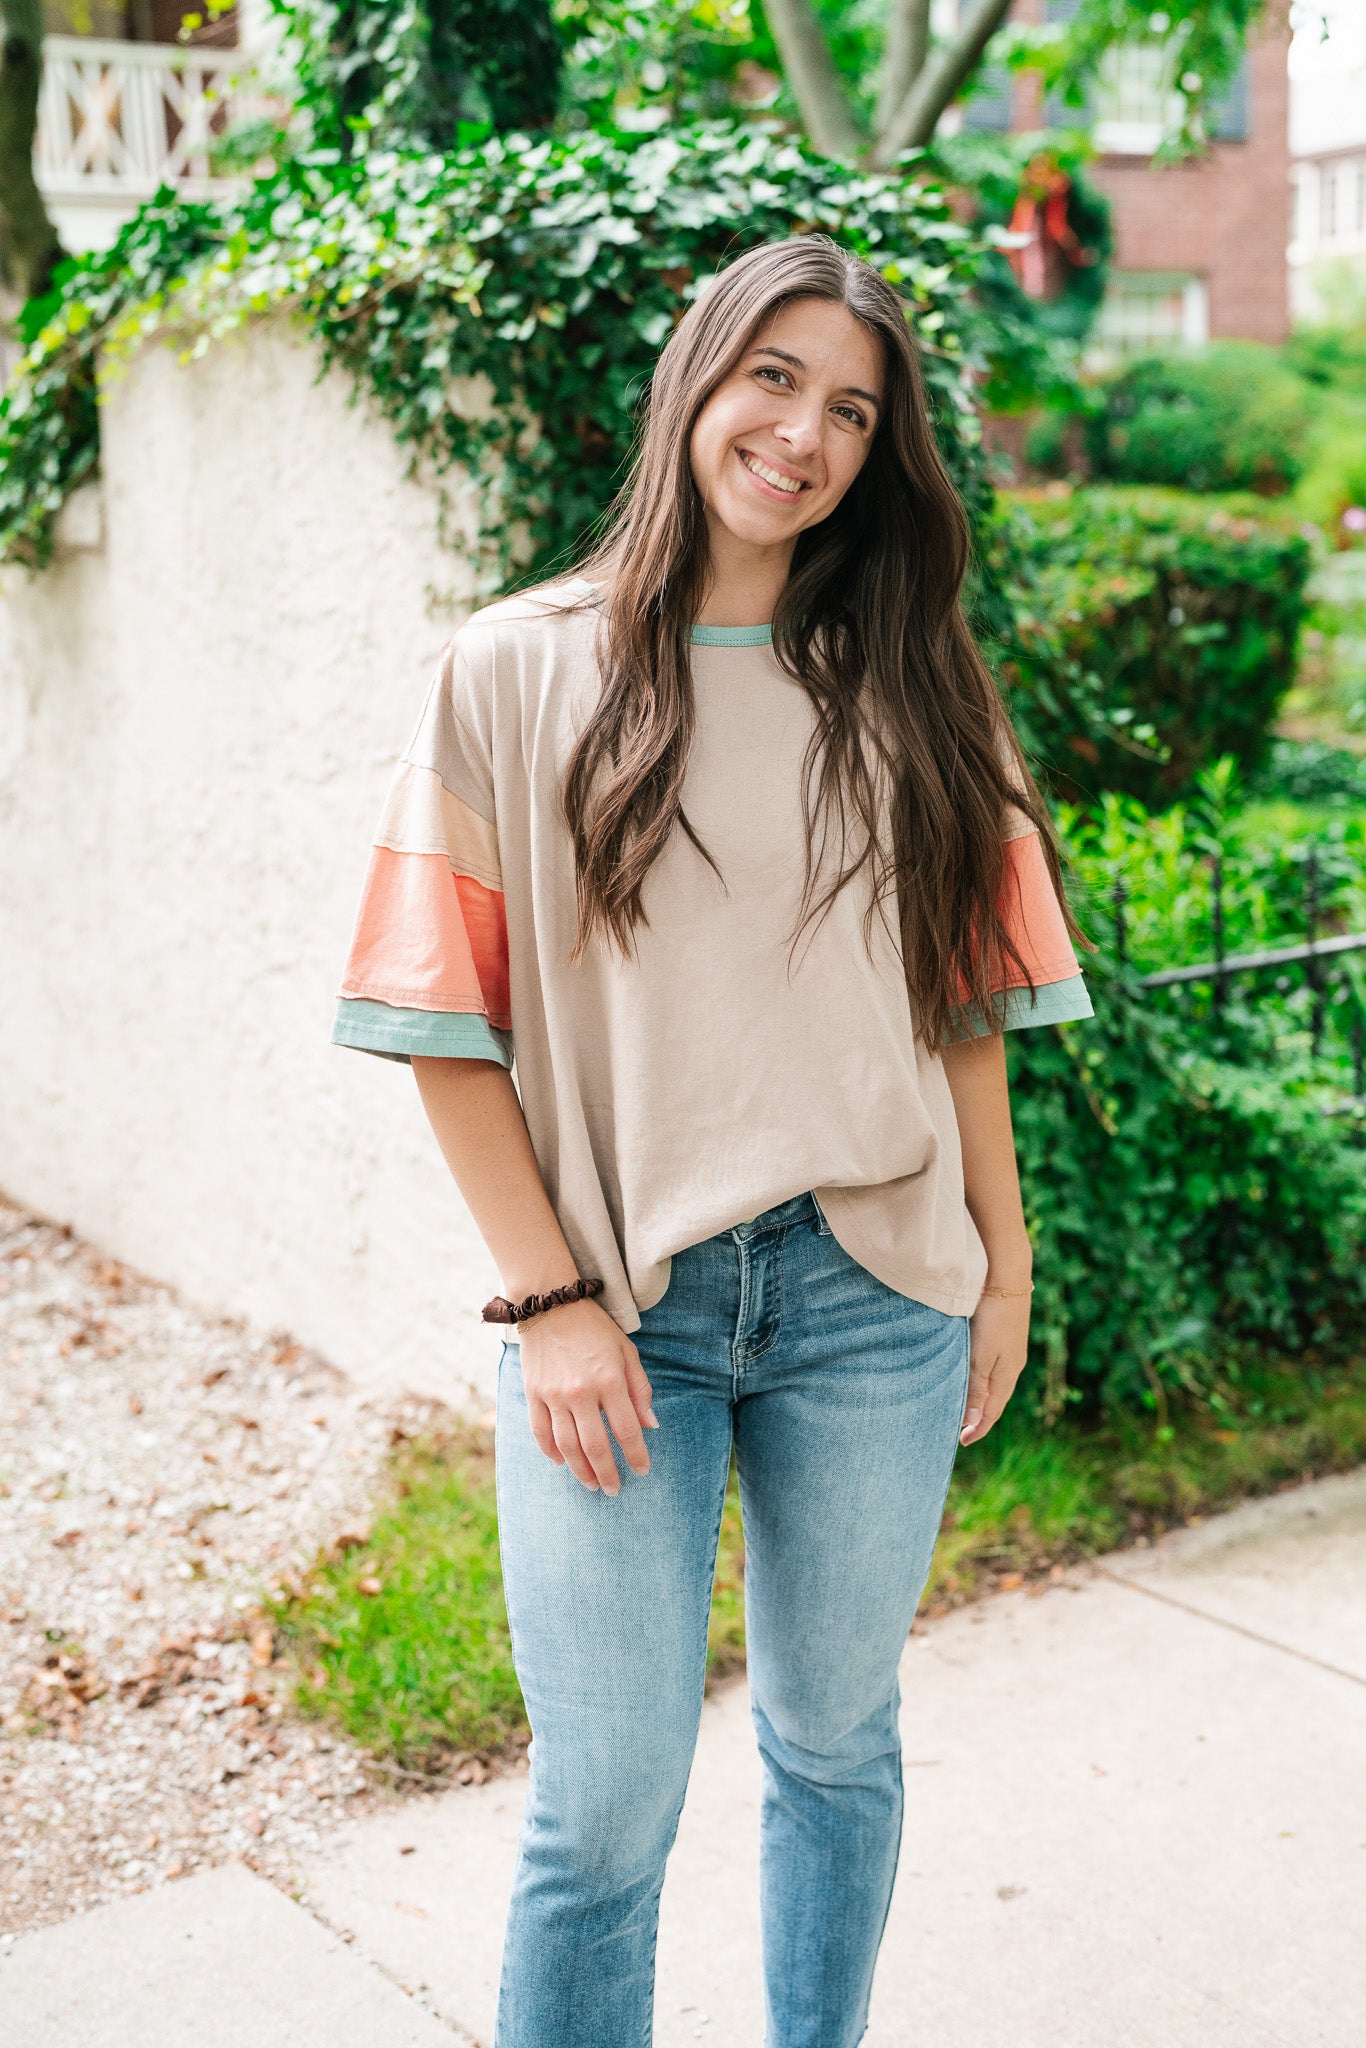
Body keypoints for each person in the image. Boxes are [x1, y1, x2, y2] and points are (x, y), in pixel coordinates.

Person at [330, 235, 1093, 2048]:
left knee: (837, 1749)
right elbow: (446, 1026)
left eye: (851, 410)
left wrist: (1005, 1250)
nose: (804, 434)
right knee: (600, 1811)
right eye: (776, 378)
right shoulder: (511, 671)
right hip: (619, 1311)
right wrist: (550, 1302)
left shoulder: (909, 678)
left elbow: (962, 994)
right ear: (699, 377)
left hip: (873, 1296)